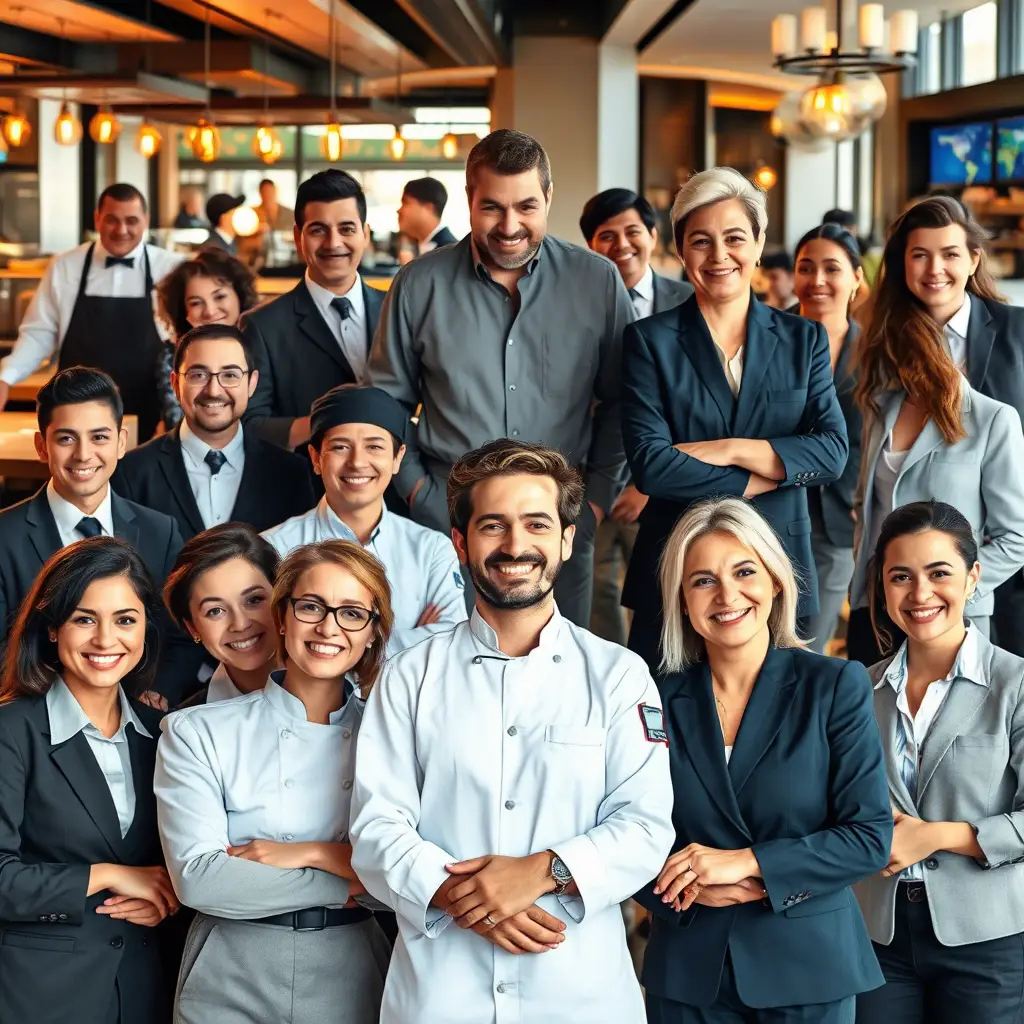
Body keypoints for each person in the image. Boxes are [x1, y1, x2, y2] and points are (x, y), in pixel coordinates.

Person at [350, 439, 673, 1023]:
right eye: (493, 525)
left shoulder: (619, 675)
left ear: (568, 541)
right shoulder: (409, 675)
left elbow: (645, 827)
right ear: (459, 542)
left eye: (536, 524)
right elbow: (376, 827)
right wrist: (467, 898)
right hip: (442, 993)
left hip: (579, 993)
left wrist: (540, 872)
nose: (516, 545)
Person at [636, 496, 891, 1023]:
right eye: (702, 580)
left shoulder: (835, 685)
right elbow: (621, 834)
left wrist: (747, 865)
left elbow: (868, 837)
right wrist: (684, 887)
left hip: (808, 969)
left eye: (744, 571)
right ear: (682, 600)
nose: (727, 594)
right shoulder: (647, 699)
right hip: (689, 971)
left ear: (775, 580)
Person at [370, 129, 635, 626]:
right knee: (447, 679)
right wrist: (419, 496)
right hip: (448, 524)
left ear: (549, 198)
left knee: (558, 682)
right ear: (468, 200)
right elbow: (385, 407)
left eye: (527, 207)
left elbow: (623, 402)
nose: (510, 225)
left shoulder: (597, 280)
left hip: (559, 525)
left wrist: (595, 502)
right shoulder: (417, 284)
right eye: (491, 207)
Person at [155, 540, 393, 1024]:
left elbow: (411, 875)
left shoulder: (391, 738)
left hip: (354, 972)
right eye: (310, 607)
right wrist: (344, 878)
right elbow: (200, 879)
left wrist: (307, 854)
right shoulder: (197, 731)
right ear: (281, 618)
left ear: (372, 632)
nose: (328, 627)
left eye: (351, 613)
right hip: (230, 972)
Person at [621, 167, 848, 672]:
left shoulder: (803, 339)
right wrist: (771, 470)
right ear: (680, 250)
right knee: (666, 725)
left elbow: (832, 453)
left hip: (777, 565)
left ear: (760, 242)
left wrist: (729, 449)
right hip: (677, 568)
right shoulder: (648, 342)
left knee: (777, 728)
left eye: (734, 238)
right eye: (701, 241)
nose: (719, 256)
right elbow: (652, 467)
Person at [854, 501, 1024, 1024]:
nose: (920, 593)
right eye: (900, 576)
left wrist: (937, 836)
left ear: (973, 577)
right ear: (882, 588)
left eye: (938, 573)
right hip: (875, 933)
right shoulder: (857, 688)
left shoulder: (1015, 684)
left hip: (987, 937)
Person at [0, 537, 181, 1024]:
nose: (106, 640)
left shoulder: (165, 735)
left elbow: (181, 865)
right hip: (40, 997)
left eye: (125, 619)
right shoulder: (11, 730)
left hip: (145, 992)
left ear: (145, 628)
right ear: (53, 628)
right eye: (84, 619)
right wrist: (109, 875)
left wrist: (167, 901)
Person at [847, 208, 1024, 665]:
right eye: (919, 255)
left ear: (973, 259)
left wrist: (953, 588)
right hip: (886, 604)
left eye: (949, 253)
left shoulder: (1017, 334)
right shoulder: (883, 348)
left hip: (988, 584)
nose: (934, 269)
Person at [0, 368, 200, 707]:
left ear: (122, 442)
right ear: (42, 446)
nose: (83, 454)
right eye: (66, 438)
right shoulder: (6, 535)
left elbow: (181, 636)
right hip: (36, 717)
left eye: (99, 437)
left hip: (138, 712)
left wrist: (156, 691)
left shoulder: (159, 531)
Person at [263, 383, 465, 652]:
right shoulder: (274, 549)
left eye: (374, 447)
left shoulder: (431, 550)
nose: (357, 462)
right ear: (315, 457)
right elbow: (269, 645)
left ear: (397, 458)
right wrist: (410, 641)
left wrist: (329, 646)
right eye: (340, 447)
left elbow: (451, 642)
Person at [580, 186, 693, 644]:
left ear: (652, 234)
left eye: (632, 231)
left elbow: (689, 404)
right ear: (591, 244)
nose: (621, 244)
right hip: (591, 479)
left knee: (666, 600)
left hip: (665, 485)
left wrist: (648, 484)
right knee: (595, 597)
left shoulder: (688, 302)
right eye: (607, 235)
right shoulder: (581, 307)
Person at [0, 182, 185, 440]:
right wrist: (6, 376)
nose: (122, 230)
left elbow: (188, 336)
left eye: (131, 220)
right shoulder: (65, 266)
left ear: (146, 221)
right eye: (112, 220)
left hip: (152, 414)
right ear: (97, 219)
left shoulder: (173, 268)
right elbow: (38, 334)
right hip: (76, 413)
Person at [113, 325, 315, 540]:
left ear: (252, 383)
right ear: (175, 384)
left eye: (230, 375)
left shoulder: (291, 474)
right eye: (198, 375)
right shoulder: (131, 472)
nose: (214, 390)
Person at [244, 170, 385, 450]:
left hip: (394, 488)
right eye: (318, 230)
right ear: (298, 237)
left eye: (346, 229)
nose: (333, 243)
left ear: (365, 235)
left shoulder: (397, 311)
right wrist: (322, 420)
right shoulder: (262, 326)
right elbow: (250, 424)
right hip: (304, 486)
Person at [793, 223, 865, 654]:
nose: (817, 280)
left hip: (842, 513)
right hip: (771, 504)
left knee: (811, 643)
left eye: (831, 268)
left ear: (857, 277)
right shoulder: (767, 337)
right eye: (806, 268)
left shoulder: (878, 351)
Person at [163, 523, 281, 704]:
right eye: (215, 611)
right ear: (192, 627)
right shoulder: (186, 725)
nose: (240, 624)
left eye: (254, 600)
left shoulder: (337, 686)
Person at [154, 250, 261, 430]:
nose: (210, 311)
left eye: (219, 297)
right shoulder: (171, 355)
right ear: (183, 311)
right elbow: (176, 423)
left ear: (239, 296)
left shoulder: (261, 345)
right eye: (196, 302)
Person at [397, 177, 457, 254]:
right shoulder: (413, 246)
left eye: (405, 203)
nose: (399, 211)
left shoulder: (451, 252)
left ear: (428, 208)